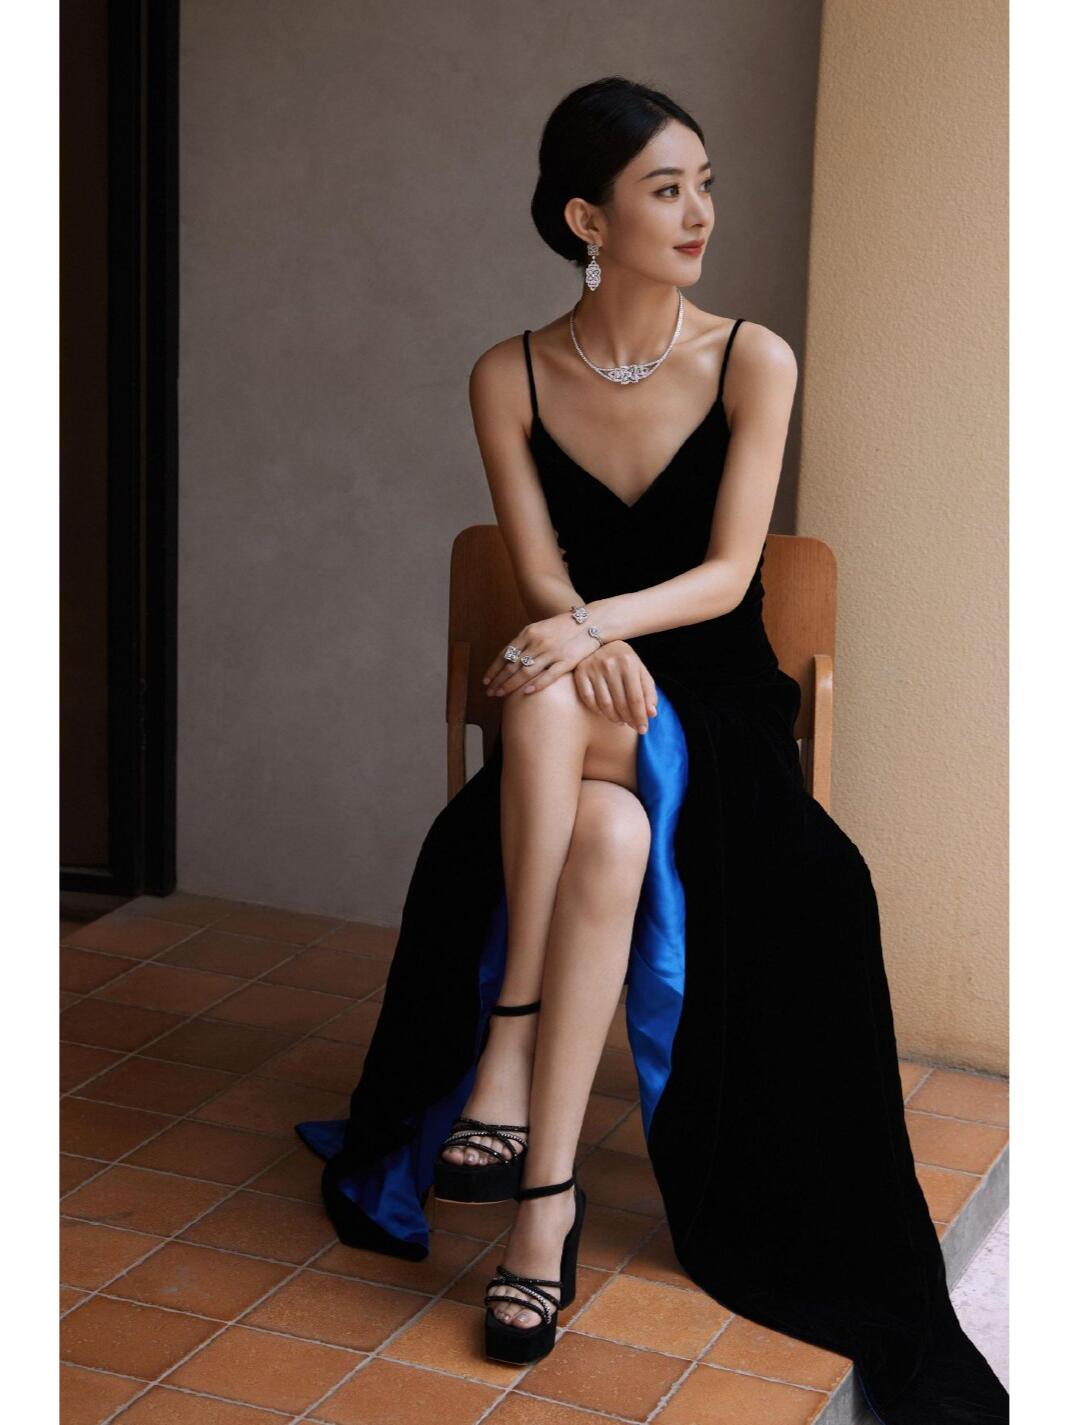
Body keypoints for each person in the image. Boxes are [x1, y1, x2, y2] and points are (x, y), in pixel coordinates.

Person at [297, 76, 1008, 1421]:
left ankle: (508, 1061)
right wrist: (575, 635)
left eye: (705, 184)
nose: (700, 214)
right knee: (605, 821)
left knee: (546, 699)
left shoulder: (752, 359)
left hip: (717, 708)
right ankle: (543, 1210)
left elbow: (732, 576)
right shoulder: (508, 373)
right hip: (578, 744)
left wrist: (587, 628)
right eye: (665, 189)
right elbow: (533, 568)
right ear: (587, 218)